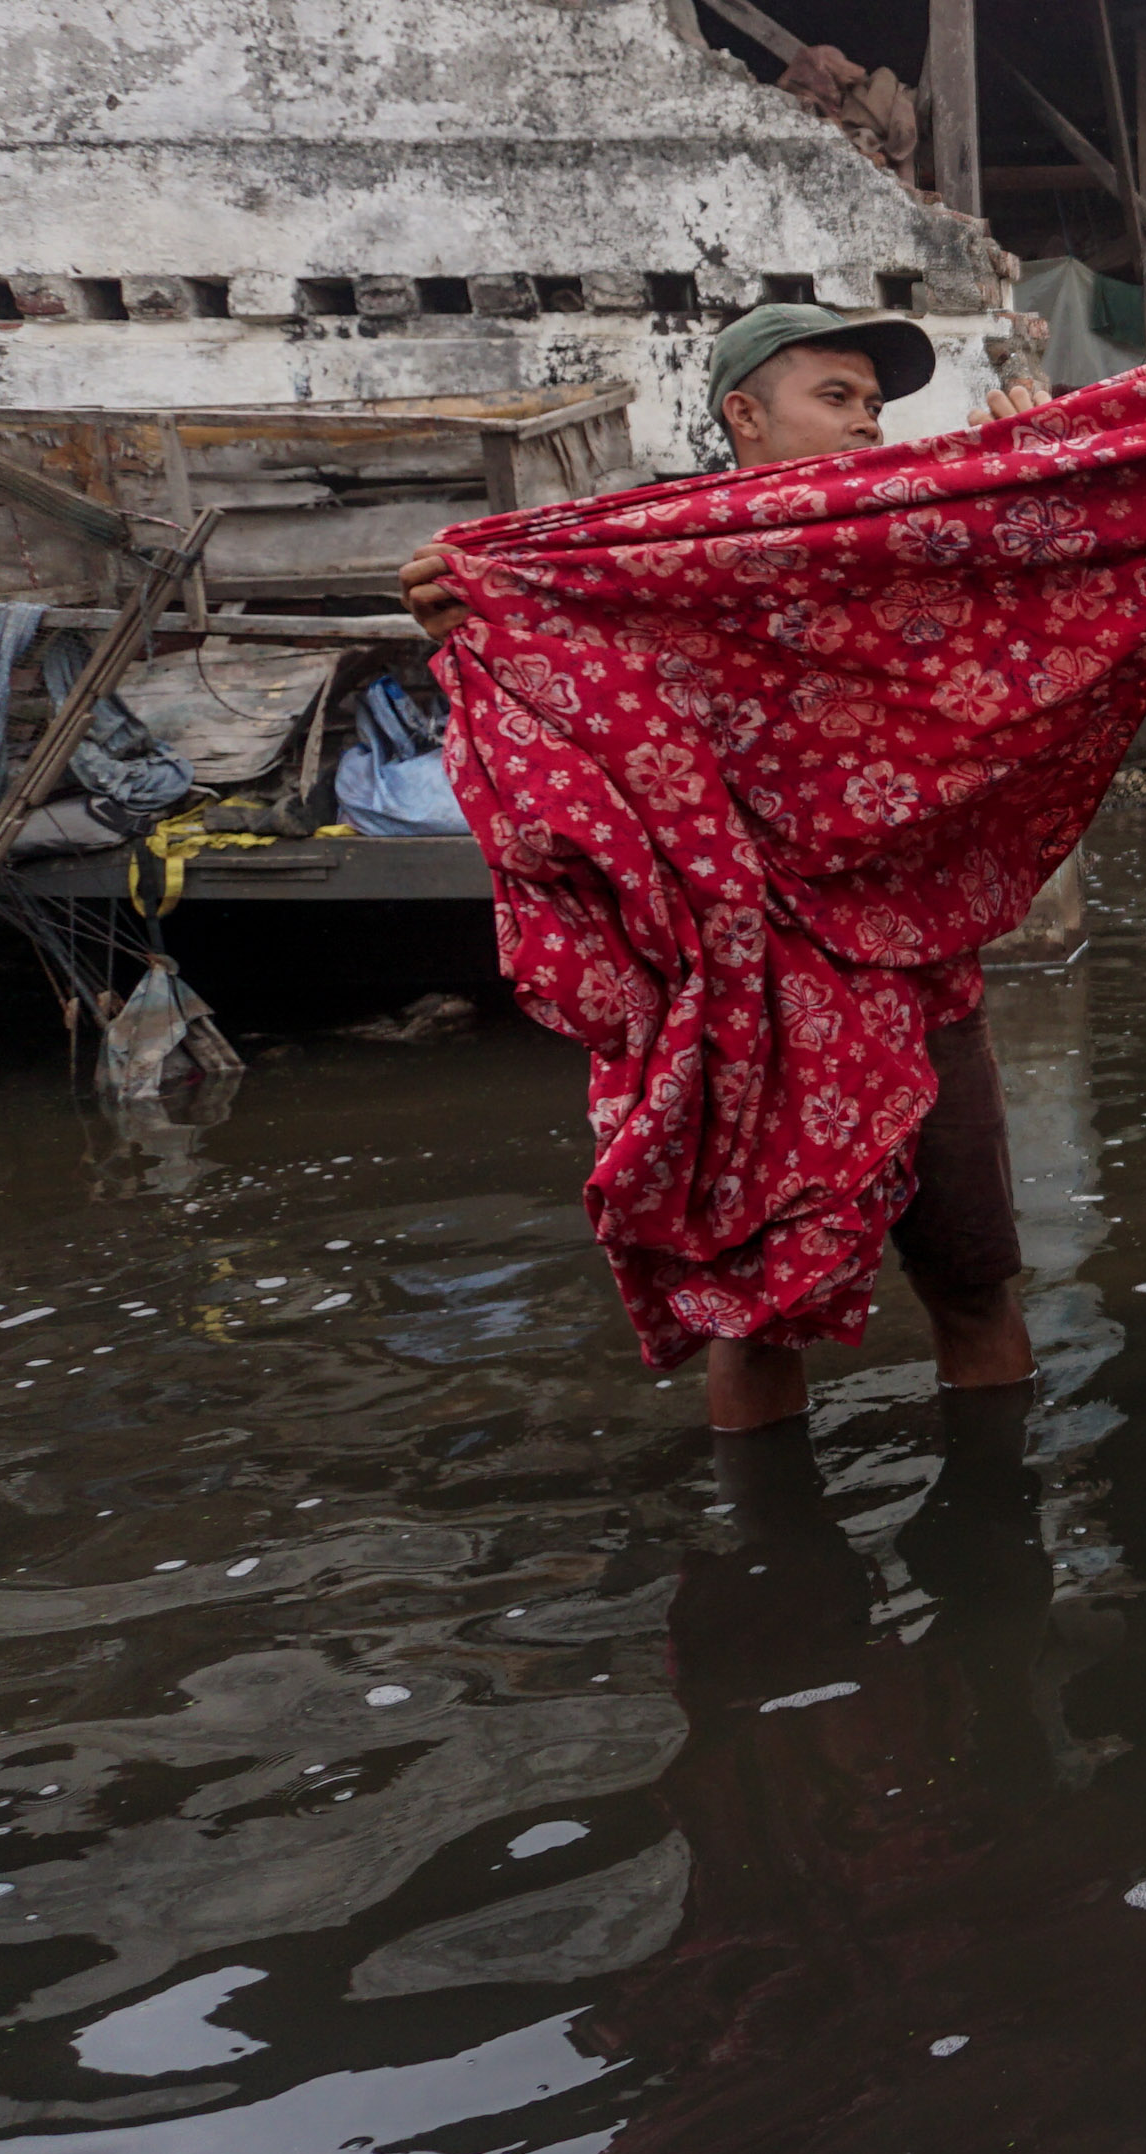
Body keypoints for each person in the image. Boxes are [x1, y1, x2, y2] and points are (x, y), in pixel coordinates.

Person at [402, 303, 1049, 1433]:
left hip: (918, 971)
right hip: (746, 991)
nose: (866, 424)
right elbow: (567, 718)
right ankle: (771, 1538)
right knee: (751, 1314)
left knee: (973, 1283)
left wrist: (1052, 466)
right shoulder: (648, 568)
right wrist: (470, 613)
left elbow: (1034, 625)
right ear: (744, 414)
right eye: (836, 397)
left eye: (873, 404)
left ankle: (1000, 1522)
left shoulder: (909, 539)